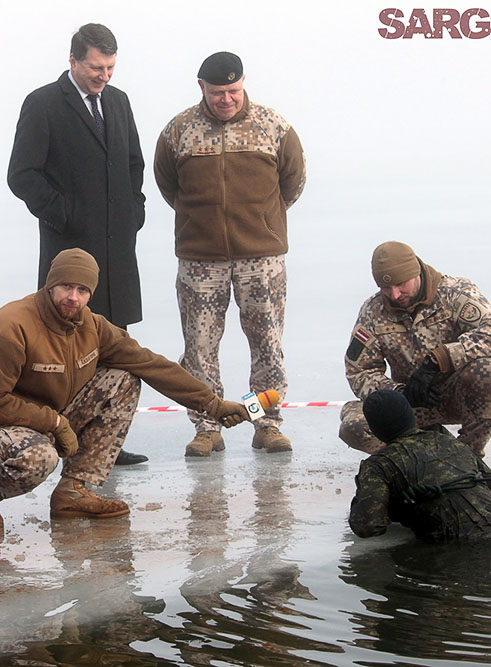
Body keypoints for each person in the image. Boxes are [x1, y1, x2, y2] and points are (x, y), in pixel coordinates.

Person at [0, 249, 250, 532]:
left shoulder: (91, 326)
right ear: (50, 285)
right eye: (66, 286)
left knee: (123, 379)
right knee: (39, 459)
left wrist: (211, 403)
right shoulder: (9, 328)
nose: (73, 297)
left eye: (82, 290)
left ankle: (73, 490)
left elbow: (149, 363)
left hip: (51, 418)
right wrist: (55, 423)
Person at [7, 24, 148, 466]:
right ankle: (66, 437)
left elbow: (133, 164)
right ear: (73, 60)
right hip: (69, 253)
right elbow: (22, 174)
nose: (103, 76)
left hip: (117, 251)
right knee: (69, 347)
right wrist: (62, 213)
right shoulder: (44, 103)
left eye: (109, 67)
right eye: (95, 67)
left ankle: (107, 440)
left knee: (115, 345)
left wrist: (133, 210)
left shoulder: (119, 102)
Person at [153, 51, 306, 457]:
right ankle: (207, 427)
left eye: (233, 91)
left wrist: (262, 223)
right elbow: (168, 186)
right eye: (218, 92)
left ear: (243, 86)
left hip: (263, 258)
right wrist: (200, 224)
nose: (226, 99)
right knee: (199, 347)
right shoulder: (178, 131)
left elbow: (292, 183)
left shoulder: (273, 126)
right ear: (202, 87)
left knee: (267, 345)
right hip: (200, 260)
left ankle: (266, 422)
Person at [339, 241, 491, 456]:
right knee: (354, 426)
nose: (394, 295)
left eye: (402, 284)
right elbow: (359, 371)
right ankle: (416, 459)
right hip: (411, 404)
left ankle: (467, 456)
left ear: (416, 273)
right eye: (386, 288)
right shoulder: (372, 311)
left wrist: (440, 359)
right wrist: (397, 393)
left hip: (459, 396)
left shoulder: (455, 293)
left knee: (489, 371)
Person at [349, 390, 491, 541]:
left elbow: (368, 526)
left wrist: (399, 508)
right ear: (411, 417)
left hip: (467, 545)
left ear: (374, 430)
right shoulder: (453, 443)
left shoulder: (378, 465)